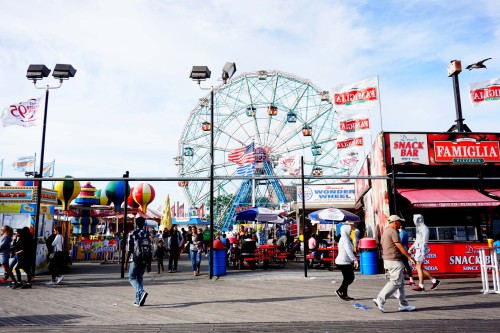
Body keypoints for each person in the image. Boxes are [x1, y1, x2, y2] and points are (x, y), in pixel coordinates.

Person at [373, 215, 416, 312]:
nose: (400, 224)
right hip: (394, 260)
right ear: (395, 222)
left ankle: (404, 304)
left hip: (388, 260)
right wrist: (409, 257)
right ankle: (380, 299)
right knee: (395, 282)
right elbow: (400, 246)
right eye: (399, 222)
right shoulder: (393, 232)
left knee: (400, 284)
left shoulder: (386, 232)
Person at [124, 217, 152, 307]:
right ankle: (138, 300)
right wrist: (149, 263)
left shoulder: (132, 233)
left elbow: (129, 249)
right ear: (144, 224)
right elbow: (150, 249)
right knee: (140, 278)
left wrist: (125, 262)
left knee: (132, 278)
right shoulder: (147, 234)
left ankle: (141, 292)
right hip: (144, 259)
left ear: (135, 224)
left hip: (135, 259)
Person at [408, 214, 440, 291]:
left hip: (421, 249)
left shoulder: (424, 229)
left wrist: (422, 252)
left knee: (418, 266)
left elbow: (424, 241)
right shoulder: (419, 228)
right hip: (419, 249)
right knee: (419, 267)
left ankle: (421, 285)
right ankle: (433, 281)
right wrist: (411, 248)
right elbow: (417, 240)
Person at [335, 223, 359, 300]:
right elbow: (348, 251)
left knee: (346, 278)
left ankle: (344, 294)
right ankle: (340, 291)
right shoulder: (345, 239)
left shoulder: (344, 238)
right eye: (349, 230)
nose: (350, 232)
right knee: (350, 278)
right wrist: (354, 260)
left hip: (343, 261)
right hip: (343, 262)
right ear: (346, 231)